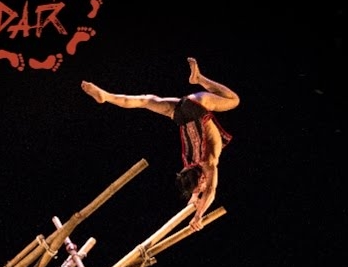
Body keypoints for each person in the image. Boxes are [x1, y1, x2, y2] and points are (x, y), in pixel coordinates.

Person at [81, 57, 241, 231]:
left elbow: (208, 189)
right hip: (181, 114)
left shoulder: (208, 164)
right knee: (145, 101)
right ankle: (106, 96)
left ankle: (198, 79)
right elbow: (207, 189)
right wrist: (197, 211)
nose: (202, 188)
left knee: (234, 100)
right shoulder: (191, 165)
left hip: (196, 106)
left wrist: (197, 209)